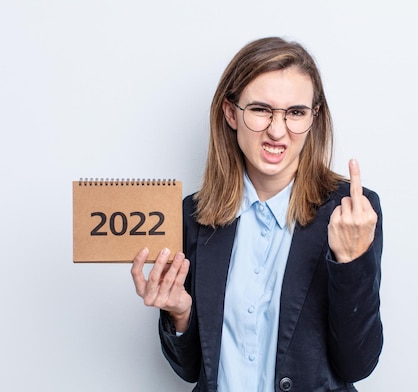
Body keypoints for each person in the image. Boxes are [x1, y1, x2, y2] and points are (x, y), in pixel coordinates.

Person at [131, 36, 383, 392]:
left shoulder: (352, 214)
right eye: (261, 110)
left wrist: (351, 262)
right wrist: (180, 314)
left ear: (314, 117)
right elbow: (190, 370)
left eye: (295, 112)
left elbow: (357, 363)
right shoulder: (192, 216)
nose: (277, 131)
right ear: (231, 113)